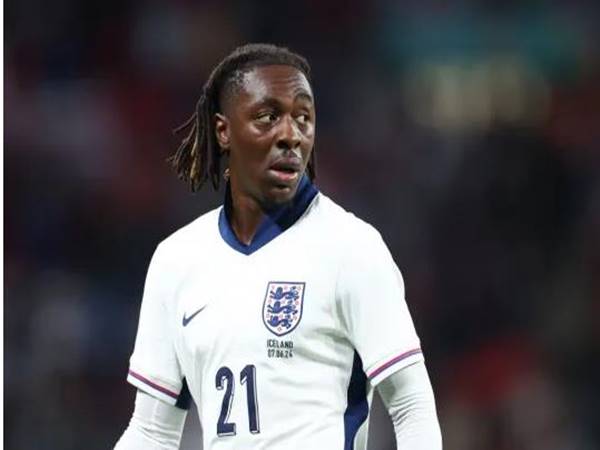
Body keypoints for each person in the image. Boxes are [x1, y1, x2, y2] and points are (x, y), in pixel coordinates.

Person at [114, 43, 442, 450]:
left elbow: (410, 405)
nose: (291, 135)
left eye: (303, 117)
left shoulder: (352, 249)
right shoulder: (176, 260)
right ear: (223, 131)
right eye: (268, 117)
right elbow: (151, 431)